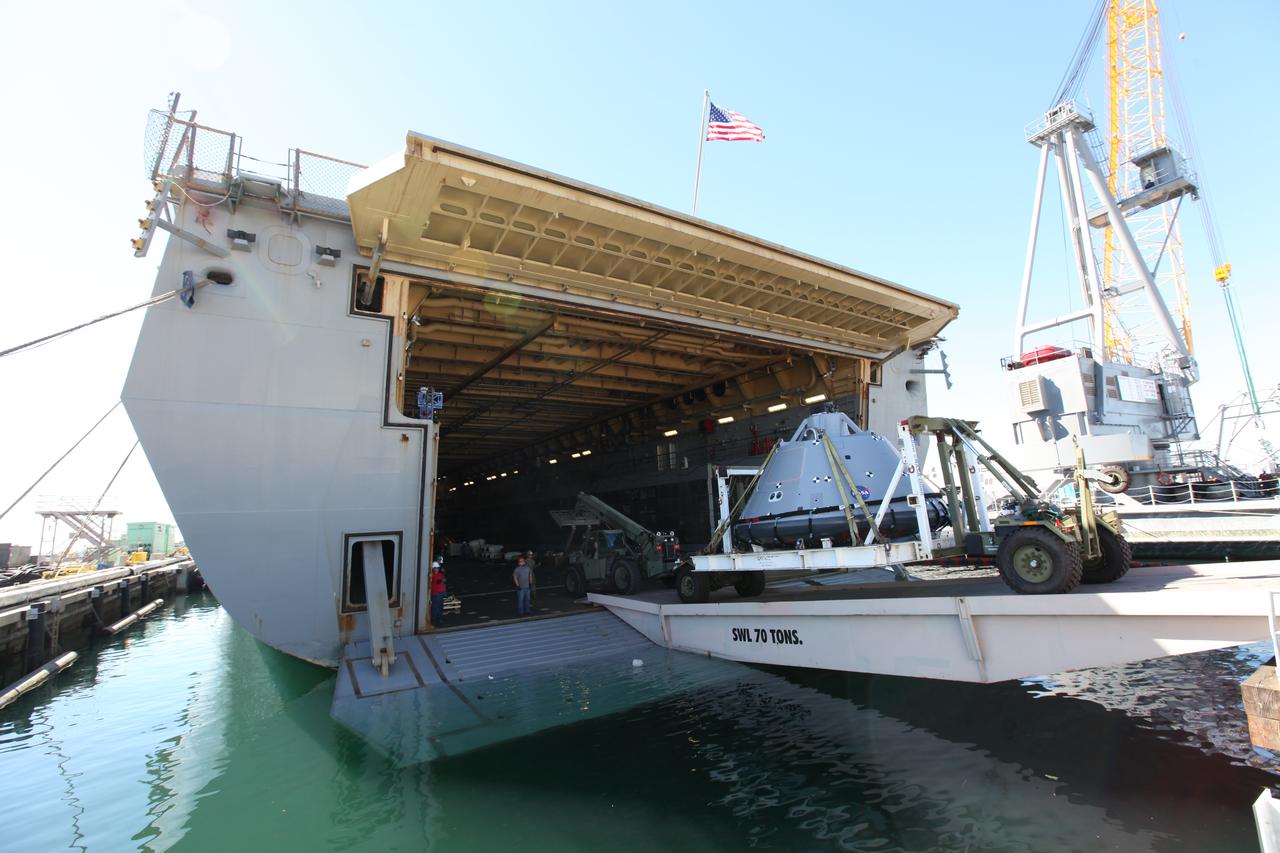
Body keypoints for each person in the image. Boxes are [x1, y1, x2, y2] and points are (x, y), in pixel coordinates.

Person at [430, 560, 447, 626]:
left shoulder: (440, 574)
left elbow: (444, 581)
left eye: (437, 568)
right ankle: (434, 620)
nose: (436, 569)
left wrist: (444, 592)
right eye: (435, 568)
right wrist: (442, 580)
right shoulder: (432, 575)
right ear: (433, 568)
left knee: (440, 607)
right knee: (435, 608)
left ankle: (439, 620)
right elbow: (437, 581)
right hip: (436, 594)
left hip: (441, 593)